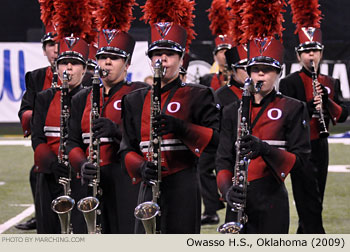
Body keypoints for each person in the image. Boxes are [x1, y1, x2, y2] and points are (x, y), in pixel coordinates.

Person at [119, 0, 219, 234]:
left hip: (183, 183)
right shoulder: (133, 99)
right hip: (147, 183)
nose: (161, 60)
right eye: (156, 54)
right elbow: (126, 147)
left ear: (182, 59)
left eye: (169, 54)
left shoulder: (199, 95)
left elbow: (215, 141)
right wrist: (141, 167)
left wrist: (180, 127)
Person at [216, 1, 311, 233]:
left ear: (278, 73)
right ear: (247, 72)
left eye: (267, 70)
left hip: (272, 198)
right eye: (255, 68)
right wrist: (228, 190)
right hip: (236, 198)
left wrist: (265, 149)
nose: (260, 74)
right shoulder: (232, 110)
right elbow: (223, 159)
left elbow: (301, 163)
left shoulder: (293, 107)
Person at [66, 0, 147, 233]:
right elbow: (72, 140)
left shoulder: (137, 93)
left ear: (127, 64)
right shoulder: (83, 97)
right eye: (102, 57)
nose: (107, 62)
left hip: (124, 179)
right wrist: (81, 164)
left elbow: (144, 139)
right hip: (89, 178)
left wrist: (117, 131)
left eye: (114, 58)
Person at [279, 0, 349, 234]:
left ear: (321, 53)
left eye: (315, 51)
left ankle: (306, 233)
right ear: (299, 55)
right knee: (304, 192)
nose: (312, 55)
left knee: (318, 191)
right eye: (307, 51)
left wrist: (326, 101)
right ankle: (315, 234)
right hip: (300, 146)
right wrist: (310, 106)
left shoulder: (330, 82)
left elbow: (343, 114)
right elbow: (288, 115)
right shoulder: (289, 83)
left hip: (321, 143)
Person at [15, 0, 59, 230]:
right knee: (37, 173)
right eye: (50, 44)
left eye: (59, 43)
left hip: (73, 145)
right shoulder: (36, 77)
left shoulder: (86, 74)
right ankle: (41, 215)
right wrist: (40, 117)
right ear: (44, 50)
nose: (55, 48)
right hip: (46, 142)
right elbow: (25, 110)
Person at [200, 0, 232, 91]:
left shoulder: (241, 79)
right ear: (215, 56)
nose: (225, 55)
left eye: (228, 52)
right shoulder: (206, 80)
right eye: (221, 52)